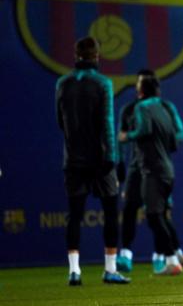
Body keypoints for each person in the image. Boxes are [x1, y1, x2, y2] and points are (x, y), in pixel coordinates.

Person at [55, 36, 130, 285]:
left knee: (74, 215)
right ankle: (109, 269)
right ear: (97, 56)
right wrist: (112, 157)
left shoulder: (62, 83)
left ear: (76, 55)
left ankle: (74, 271)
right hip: (100, 160)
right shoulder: (102, 83)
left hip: (73, 160)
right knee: (110, 212)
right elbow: (107, 123)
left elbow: (60, 121)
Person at [116, 70, 183, 273]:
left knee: (158, 213)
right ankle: (127, 256)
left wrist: (166, 141)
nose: (138, 88)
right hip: (139, 166)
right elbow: (122, 138)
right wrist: (120, 164)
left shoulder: (162, 108)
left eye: (141, 84)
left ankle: (169, 256)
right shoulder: (129, 109)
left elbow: (178, 133)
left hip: (154, 165)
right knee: (132, 208)